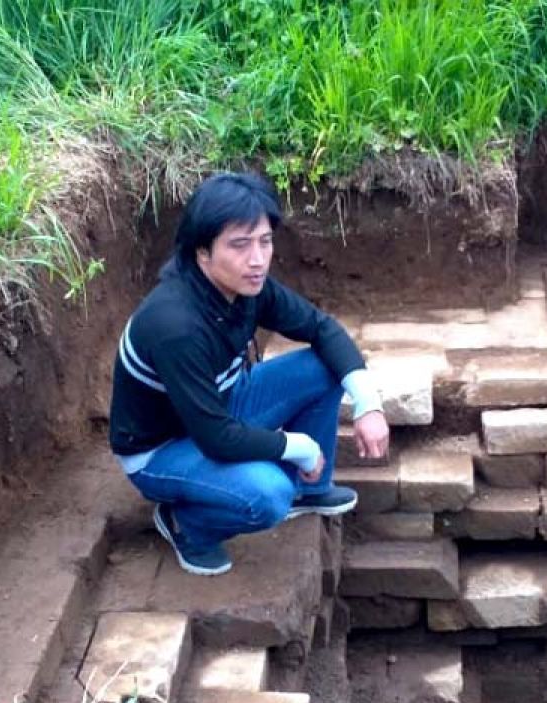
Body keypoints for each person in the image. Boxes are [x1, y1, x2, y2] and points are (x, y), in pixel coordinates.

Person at [109, 172, 390, 576]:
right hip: (162, 449)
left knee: (325, 365)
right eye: (239, 245)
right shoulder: (175, 324)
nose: (257, 259)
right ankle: (186, 524)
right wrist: (300, 447)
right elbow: (217, 438)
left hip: (217, 408)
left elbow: (322, 329)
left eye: (265, 241)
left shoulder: (244, 287)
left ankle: (307, 490)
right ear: (202, 252)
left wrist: (368, 404)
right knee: (268, 496)